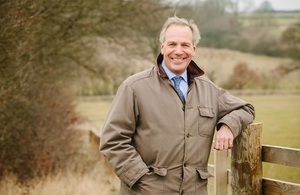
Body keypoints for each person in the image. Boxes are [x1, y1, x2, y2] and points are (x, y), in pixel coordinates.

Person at [100, 16, 255, 195]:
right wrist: (142, 181)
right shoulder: (134, 87)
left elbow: (246, 109)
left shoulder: (208, 89)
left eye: (185, 45)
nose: (179, 51)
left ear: (194, 49)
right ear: (162, 47)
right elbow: (113, 141)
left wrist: (228, 125)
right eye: (172, 44)